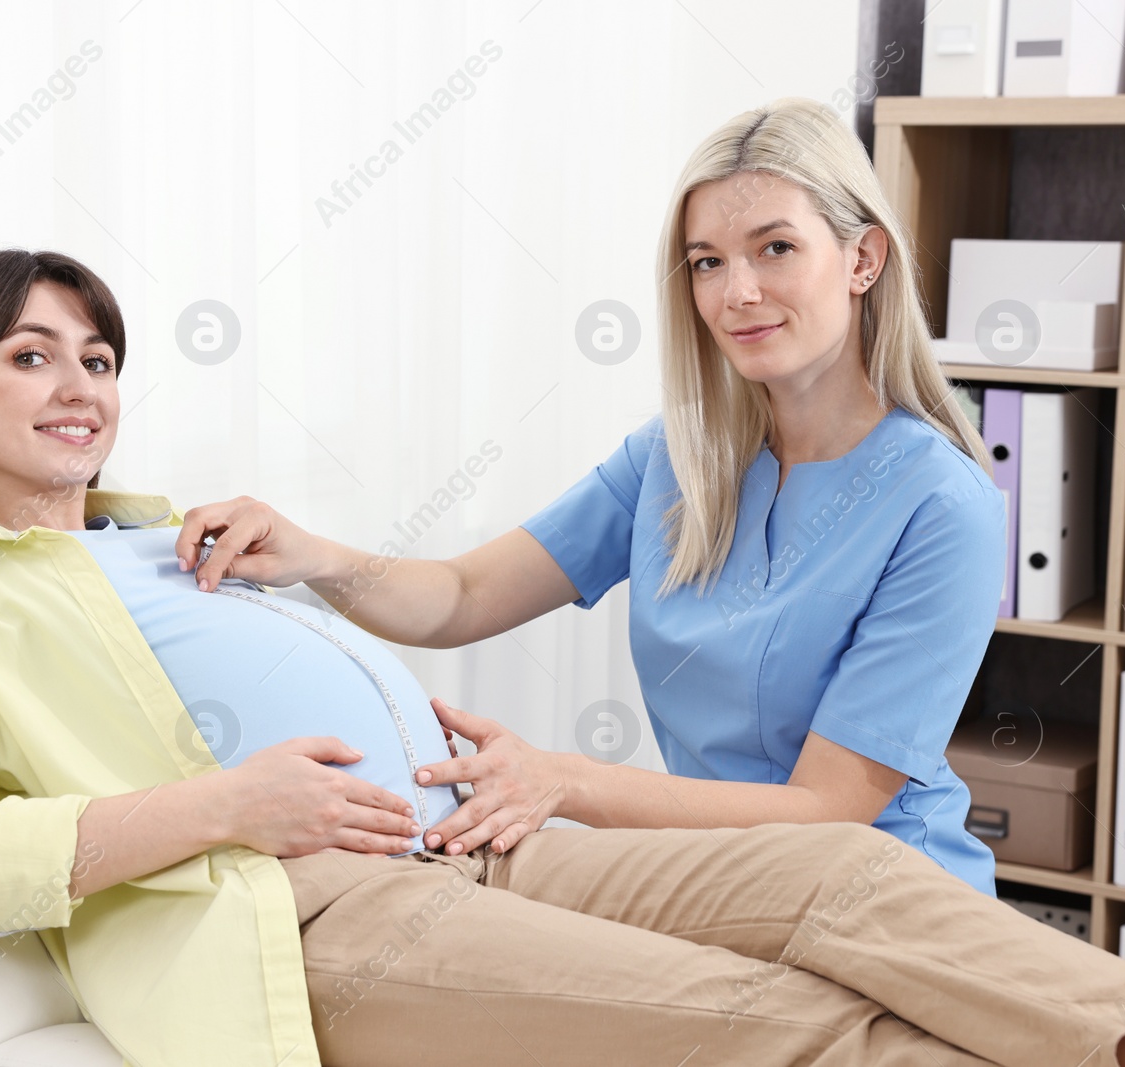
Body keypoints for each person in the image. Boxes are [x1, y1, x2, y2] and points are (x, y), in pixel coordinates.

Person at [0, 246, 1125, 1067]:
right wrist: (233, 806)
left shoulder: (170, 532)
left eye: (100, 359)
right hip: (302, 904)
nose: (79, 387)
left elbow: (438, 596)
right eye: (31, 358)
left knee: (851, 873)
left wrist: (324, 569)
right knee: (773, 1016)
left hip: (483, 823)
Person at [178, 96, 1008, 896]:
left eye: (776, 248)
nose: (737, 293)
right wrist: (312, 554)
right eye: (708, 262)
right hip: (724, 879)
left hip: (888, 890)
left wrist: (561, 780)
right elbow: (461, 597)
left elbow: (831, 809)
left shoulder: (942, 504)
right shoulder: (676, 457)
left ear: (863, 259)